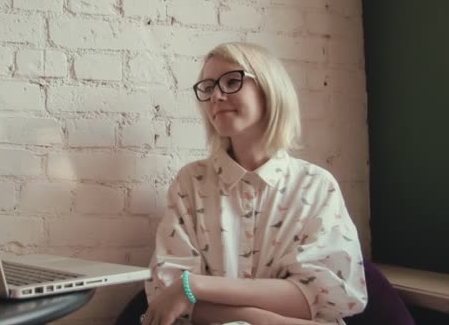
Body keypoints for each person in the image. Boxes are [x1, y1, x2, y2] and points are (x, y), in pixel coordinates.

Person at [143, 42, 367, 325]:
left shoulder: (316, 185)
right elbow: (168, 298)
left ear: (269, 89)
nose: (216, 95)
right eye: (208, 87)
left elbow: (324, 296)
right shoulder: (190, 183)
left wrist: (196, 287)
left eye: (232, 81)